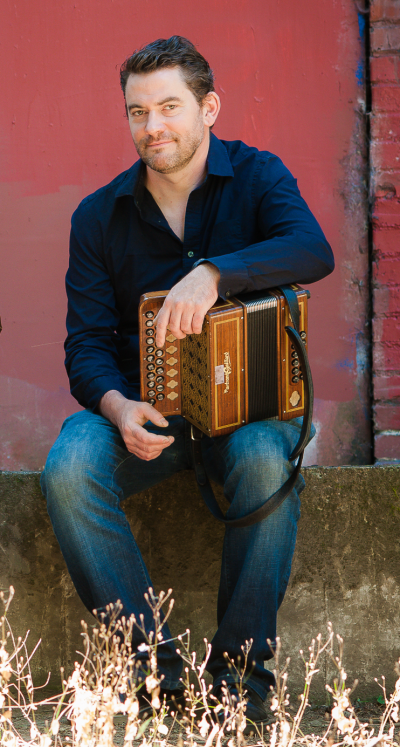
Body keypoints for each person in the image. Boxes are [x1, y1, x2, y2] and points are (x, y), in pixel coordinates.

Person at [41, 36, 334, 724]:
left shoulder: (259, 177)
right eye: (137, 112)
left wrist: (215, 272)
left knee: (267, 458)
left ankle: (238, 689)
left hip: (248, 411)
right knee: (69, 467)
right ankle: (157, 680)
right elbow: (85, 345)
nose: (153, 126)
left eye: (169, 106)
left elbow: (311, 250)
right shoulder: (98, 216)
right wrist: (117, 407)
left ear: (209, 108)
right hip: (145, 416)